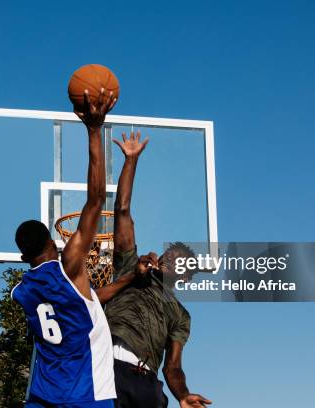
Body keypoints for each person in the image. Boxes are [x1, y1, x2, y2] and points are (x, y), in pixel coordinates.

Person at [11, 89, 117, 407]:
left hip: (43, 395)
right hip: (86, 393)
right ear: (54, 242)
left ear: (23, 256)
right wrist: (94, 130)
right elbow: (96, 199)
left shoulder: (22, 292)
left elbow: (87, 301)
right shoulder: (69, 266)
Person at [97, 131, 212, 408]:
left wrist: (183, 395)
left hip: (145, 381)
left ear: (184, 275)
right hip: (106, 369)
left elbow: (172, 367)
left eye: (177, 259)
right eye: (167, 253)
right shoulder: (130, 267)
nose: (167, 258)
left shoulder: (180, 315)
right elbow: (122, 210)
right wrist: (131, 161)